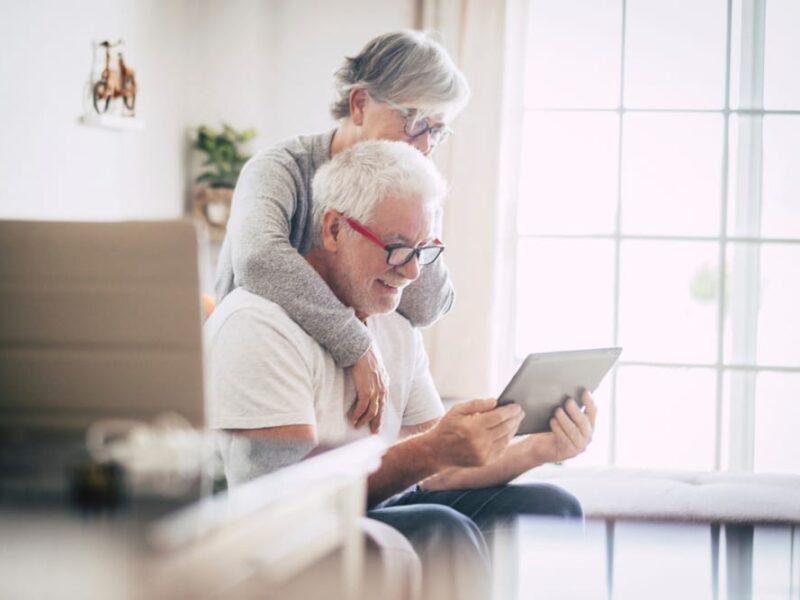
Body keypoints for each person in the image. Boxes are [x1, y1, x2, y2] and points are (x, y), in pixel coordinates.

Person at [206, 141, 593, 599]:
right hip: (274, 544)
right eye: (396, 248)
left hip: (361, 510)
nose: (411, 273)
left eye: (423, 250)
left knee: (552, 508)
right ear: (333, 229)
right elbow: (285, 504)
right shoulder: (259, 324)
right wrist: (430, 450)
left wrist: (539, 449)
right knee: (438, 528)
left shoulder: (394, 325)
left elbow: (439, 471)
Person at [214, 30, 470, 435]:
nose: (424, 145)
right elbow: (258, 258)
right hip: (262, 381)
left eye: (437, 130)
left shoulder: (413, 182)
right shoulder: (280, 169)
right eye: (415, 121)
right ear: (360, 104)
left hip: (342, 403)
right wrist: (356, 343)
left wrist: (417, 218)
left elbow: (427, 306)